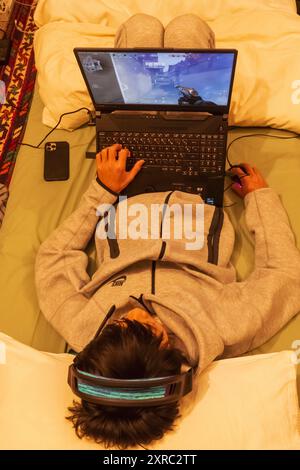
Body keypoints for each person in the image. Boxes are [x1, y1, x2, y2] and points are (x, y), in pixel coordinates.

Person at [35, 15, 300, 449]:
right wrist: (259, 198)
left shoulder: (83, 325)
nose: (133, 311)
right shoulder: (227, 326)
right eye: (147, 328)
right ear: (176, 361)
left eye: (116, 327)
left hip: (123, 183)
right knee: (188, 33)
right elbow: (284, 274)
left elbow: (53, 260)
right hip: (195, 175)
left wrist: (101, 192)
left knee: (137, 30)